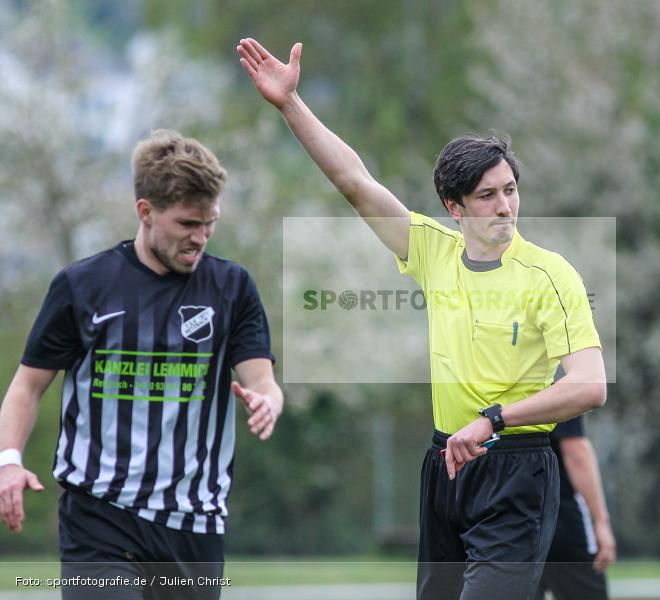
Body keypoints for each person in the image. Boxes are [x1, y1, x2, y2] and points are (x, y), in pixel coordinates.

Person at [237, 38, 606, 600]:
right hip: (445, 467)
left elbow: (589, 386)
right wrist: (291, 104)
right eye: (487, 196)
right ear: (454, 207)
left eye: (510, 191)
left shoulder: (551, 275)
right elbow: (354, 182)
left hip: (516, 471)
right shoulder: (432, 250)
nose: (504, 206)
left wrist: (494, 418)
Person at [0, 129, 283, 600]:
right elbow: (27, 388)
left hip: (194, 527)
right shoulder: (82, 286)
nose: (201, 237)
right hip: (100, 517)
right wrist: (8, 461)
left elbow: (263, 381)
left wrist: (266, 402)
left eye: (209, 223)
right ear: (145, 212)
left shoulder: (232, 288)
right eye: (187, 224)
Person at [537, 409, 616, 600]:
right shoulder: (555, 382)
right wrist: (601, 521)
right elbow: (576, 454)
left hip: (503, 522)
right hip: (560, 522)